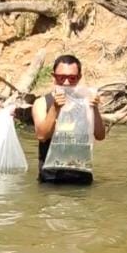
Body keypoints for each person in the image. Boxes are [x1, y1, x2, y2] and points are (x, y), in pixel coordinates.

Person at [31, 54, 106, 184]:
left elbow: (100, 135)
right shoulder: (42, 103)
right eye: (61, 77)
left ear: (79, 77)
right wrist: (55, 108)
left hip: (82, 177)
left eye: (72, 78)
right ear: (53, 76)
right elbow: (42, 136)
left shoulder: (86, 102)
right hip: (51, 179)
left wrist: (94, 108)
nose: (66, 82)